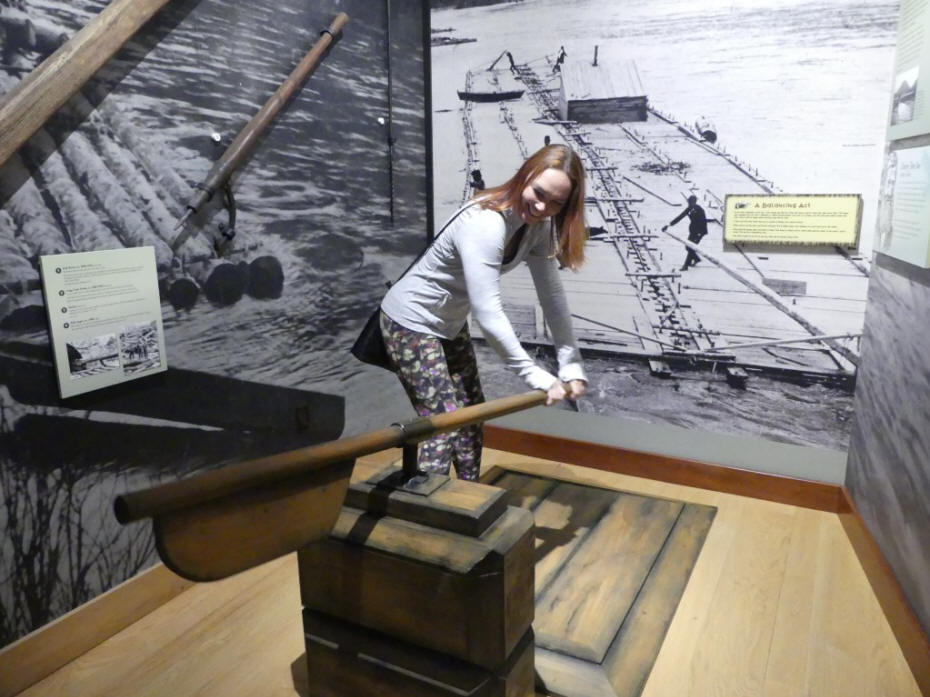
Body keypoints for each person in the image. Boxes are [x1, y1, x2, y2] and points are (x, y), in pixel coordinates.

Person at [379, 144, 588, 480]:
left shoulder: (538, 226)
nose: (542, 206)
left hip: (449, 323)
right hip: (410, 322)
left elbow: (552, 296)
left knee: (471, 419)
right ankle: (423, 505)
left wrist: (571, 362)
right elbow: (488, 312)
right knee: (443, 422)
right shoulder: (487, 222)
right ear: (526, 174)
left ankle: (467, 496)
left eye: (556, 203)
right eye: (538, 193)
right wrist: (535, 375)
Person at [663, 195, 708, 271]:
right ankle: (696, 259)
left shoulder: (699, 209)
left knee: (690, 247)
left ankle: (686, 266)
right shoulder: (690, 208)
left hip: (699, 232)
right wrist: (669, 225)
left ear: (694, 202)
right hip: (693, 231)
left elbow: (703, 221)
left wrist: (699, 234)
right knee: (688, 247)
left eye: (690, 202)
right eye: (689, 202)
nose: (689, 203)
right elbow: (680, 217)